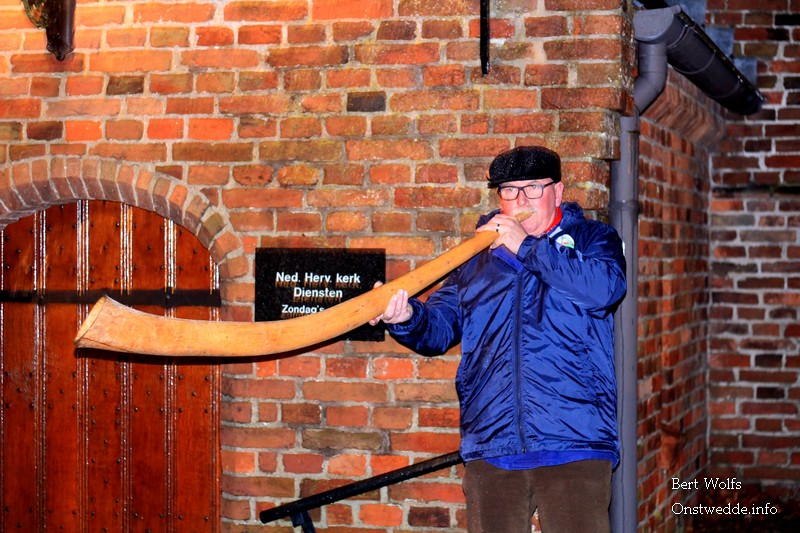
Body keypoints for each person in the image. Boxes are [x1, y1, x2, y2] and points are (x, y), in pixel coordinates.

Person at [370, 146, 627, 533]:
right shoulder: (475, 259)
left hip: (574, 440)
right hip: (492, 442)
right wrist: (405, 317)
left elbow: (605, 290)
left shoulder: (593, 240)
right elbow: (439, 328)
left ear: (557, 191)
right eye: (509, 191)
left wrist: (526, 246)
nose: (521, 200)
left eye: (533, 188)